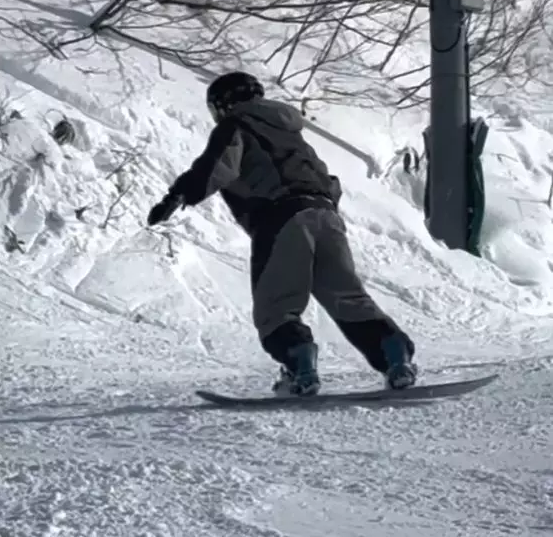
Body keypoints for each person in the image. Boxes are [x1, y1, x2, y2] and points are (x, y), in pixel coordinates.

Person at [147, 71, 417, 396]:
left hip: (281, 218)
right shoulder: (291, 133)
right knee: (349, 299)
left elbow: (218, 165)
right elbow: (326, 178)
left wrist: (178, 195)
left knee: (277, 308)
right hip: (326, 216)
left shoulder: (236, 125)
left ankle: (299, 368)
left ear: (222, 105)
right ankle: (396, 358)